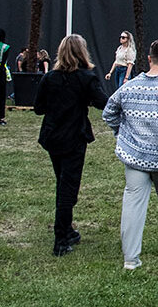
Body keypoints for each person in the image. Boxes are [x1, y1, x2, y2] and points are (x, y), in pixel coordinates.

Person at [105, 38, 158, 268]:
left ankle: (130, 259)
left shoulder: (130, 86)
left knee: (133, 203)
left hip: (134, 155)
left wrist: (121, 133)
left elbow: (109, 112)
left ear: (149, 58)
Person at [34, 33, 108, 256]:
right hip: (74, 136)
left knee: (62, 182)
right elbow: (102, 102)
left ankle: (66, 228)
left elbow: (39, 108)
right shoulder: (86, 78)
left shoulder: (50, 78)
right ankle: (61, 236)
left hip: (53, 135)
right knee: (68, 187)